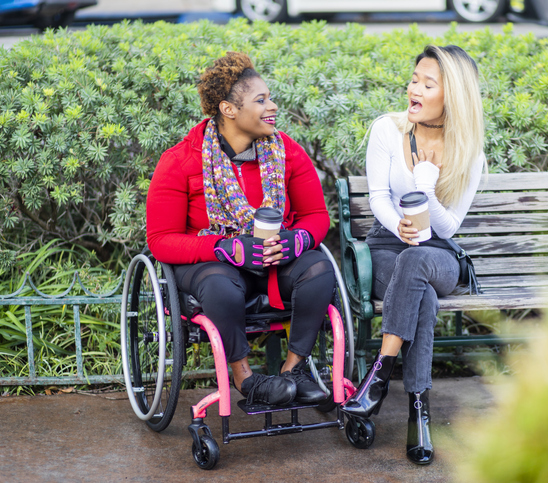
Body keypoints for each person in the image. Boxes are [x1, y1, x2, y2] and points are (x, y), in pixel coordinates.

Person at [146, 52, 335, 407]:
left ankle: (293, 372)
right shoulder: (180, 161)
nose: (272, 106)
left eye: (270, 97)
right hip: (212, 265)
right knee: (221, 284)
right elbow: (160, 241)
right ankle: (245, 379)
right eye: (260, 100)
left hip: (275, 262)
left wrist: (299, 240)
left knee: (319, 269)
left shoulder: (286, 152)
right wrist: (224, 247)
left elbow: (316, 216)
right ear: (229, 110)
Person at [340, 45, 486, 464]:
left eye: (428, 83)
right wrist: (399, 224)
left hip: (438, 253)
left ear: (452, 94)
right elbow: (379, 197)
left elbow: (448, 227)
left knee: (418, 261)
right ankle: (418, 415)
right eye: (414, 79)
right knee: (418, 290)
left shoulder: (469, 148)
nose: (414, 89)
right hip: (388, 244)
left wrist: (425, 184)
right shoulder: (387, 129)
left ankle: (379, 376)